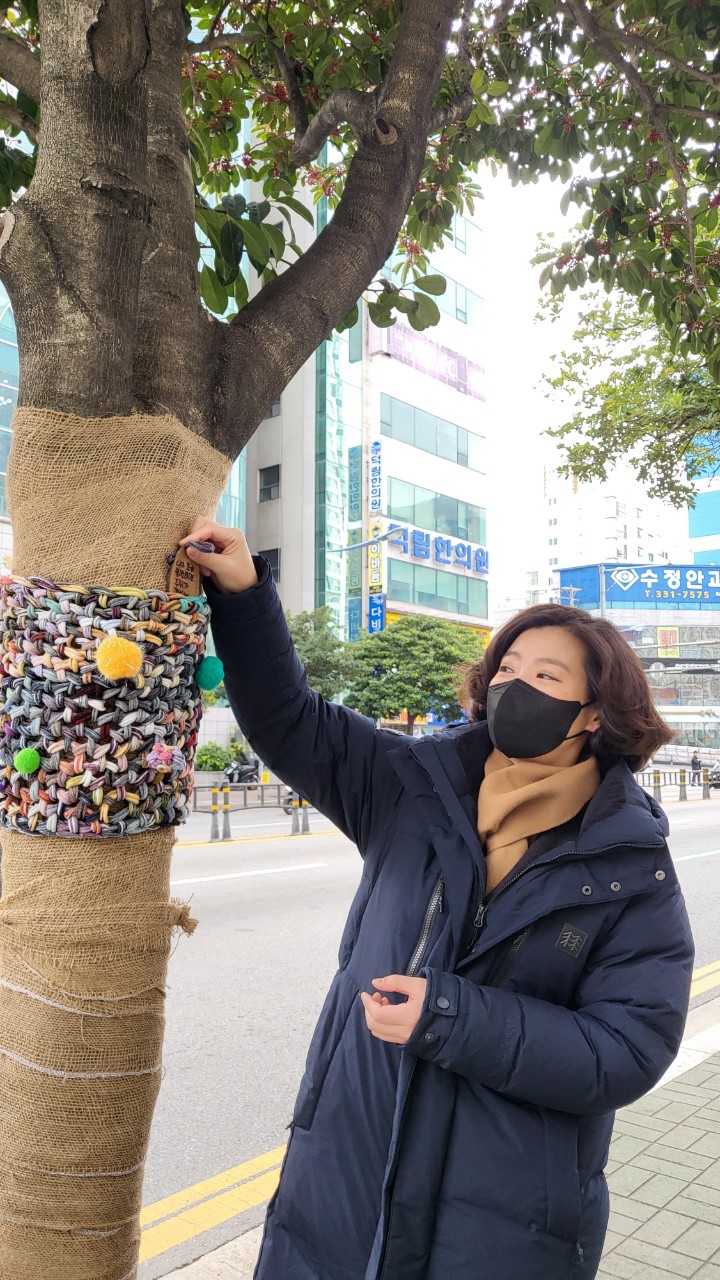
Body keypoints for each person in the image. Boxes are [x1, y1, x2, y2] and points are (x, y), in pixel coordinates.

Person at [182, 520, 694, 1280]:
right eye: (507, 667)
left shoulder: (628, 864)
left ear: (594, 713)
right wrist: (245, 597)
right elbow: (291, 719)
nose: (516, 685)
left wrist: (452, 1018)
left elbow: (627, 1050)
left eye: (547, 675)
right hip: (344, 1184)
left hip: (503, 1227)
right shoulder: (408, 785)